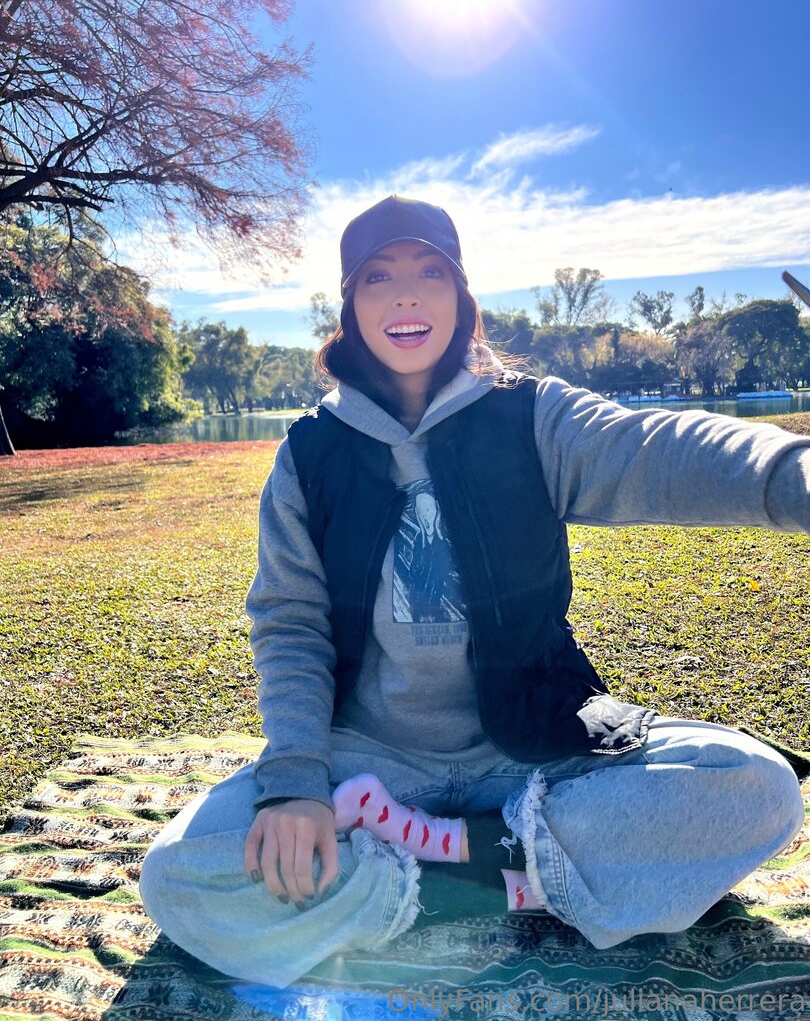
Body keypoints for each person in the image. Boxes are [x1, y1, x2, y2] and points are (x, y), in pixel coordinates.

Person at [139, 195, 809, 989]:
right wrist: (295, 783)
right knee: (181, 870)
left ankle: (454, 865)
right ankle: (525, 879)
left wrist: (792, 472)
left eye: (431, 272)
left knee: (753, 785)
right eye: (378, 277)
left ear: (461, 296)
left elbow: (658, 447)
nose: (407, 296)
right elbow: (290, 624)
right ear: (350, 306)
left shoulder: (532, 415)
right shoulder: (310, 453)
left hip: (532, 748)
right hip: (371, 760)